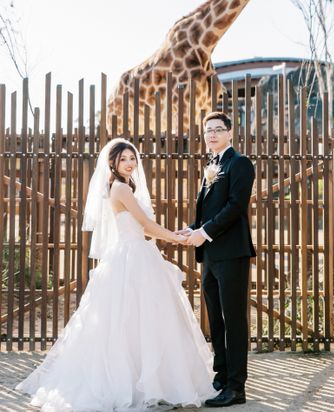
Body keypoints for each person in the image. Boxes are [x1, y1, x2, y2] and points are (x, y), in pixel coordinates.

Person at [16, 138, 216, 411]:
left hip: (138, 253)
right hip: (132, 257)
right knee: (130, 320)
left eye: (132, 158)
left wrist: (176, 233)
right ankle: (135, 385)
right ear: (112, 163)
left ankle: (149, 383)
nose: (130, 163)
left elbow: (144, 228)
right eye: (123, 159)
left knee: (142, 320)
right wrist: (177, 239)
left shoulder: (125, 187)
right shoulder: (120, 189)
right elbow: (145, 224)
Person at [179, 112, 255, 407]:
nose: (212, 134)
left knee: (234, 319)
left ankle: (237, 387)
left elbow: (236, 206)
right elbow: (209, 211)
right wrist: (192, 229)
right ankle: (221, 376)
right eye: (208, 130)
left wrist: (205, 231)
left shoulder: (239, 163)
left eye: (218, 129)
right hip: (210, 255)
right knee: (216, 319)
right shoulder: (211, 165)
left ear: (230, 132)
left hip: (232, 253)